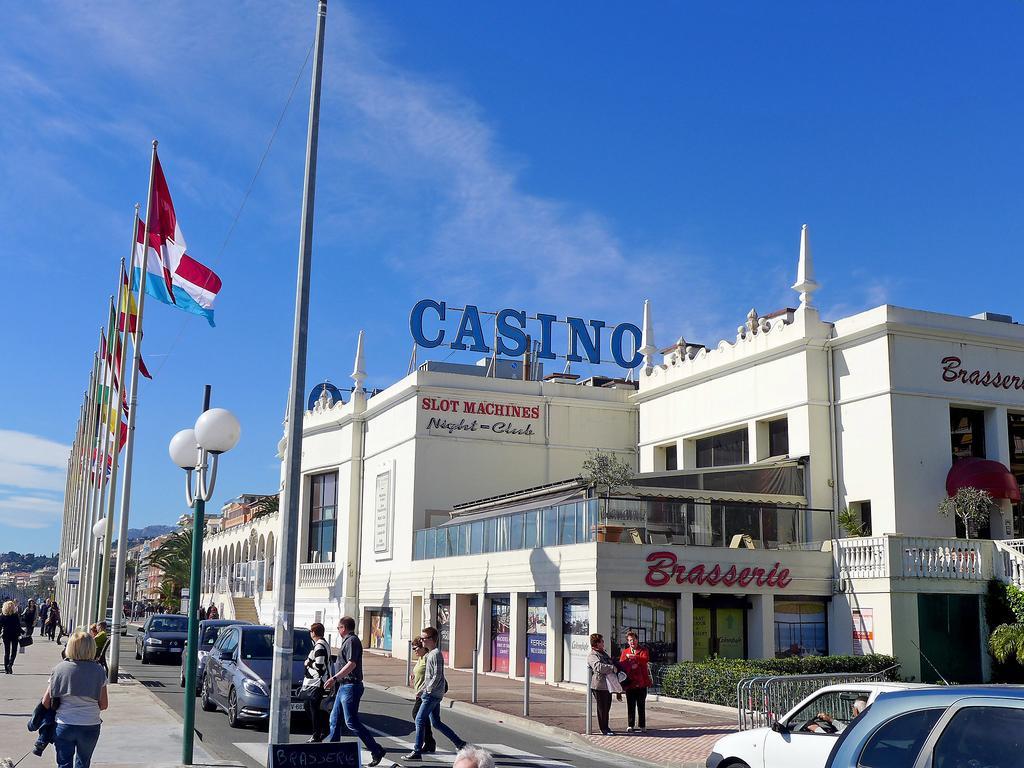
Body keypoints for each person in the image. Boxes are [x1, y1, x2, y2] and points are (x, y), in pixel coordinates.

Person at [324, 616, 387, 766]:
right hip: (343, 686)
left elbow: (352, 663)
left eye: (339, 627)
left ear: (344, 628)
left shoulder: (352, 641)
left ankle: (376, 750)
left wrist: (335, 678)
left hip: (351, 686)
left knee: (351, 722)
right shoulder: (347, 641)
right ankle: (332, 753)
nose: (338, 630)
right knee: (334, 719)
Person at [44, 631, 109, 768]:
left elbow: (46, 702)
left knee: (64, 763)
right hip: (90, 724)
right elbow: (103, 704)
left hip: (64, 724)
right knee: (83, 763)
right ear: (91, 648)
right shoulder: (98, 671)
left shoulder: (59, 669)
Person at [403, 626, 465, 762]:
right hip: (432, 693)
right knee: (436, 723)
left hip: (432, 694)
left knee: (419, 719)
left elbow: (437, 676)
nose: (422, 640)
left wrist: (426, 690)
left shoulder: (436, 654)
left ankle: (417, 751)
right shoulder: (431, 654)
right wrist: (423, 688)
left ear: (431, 639)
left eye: (424, 638)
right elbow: (430, 676)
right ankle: (460, 744)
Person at [301, 622, 331, 743]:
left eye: (311, 631)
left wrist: (308, 663)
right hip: (316, 682)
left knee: (312, 707)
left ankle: (317, 733)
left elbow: (319, 665)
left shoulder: (319, 646)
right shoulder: (321, 644)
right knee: (310, 706)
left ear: (313, 633)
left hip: (317, 682)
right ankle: (322, 730)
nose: (310, 633)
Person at [587, 633, 621, 736]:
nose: (603, 643)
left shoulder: (604, 653)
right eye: (601, 641)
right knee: (602, 708)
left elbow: (609, 662)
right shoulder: (593, 655)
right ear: (596, 643)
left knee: (607, 706)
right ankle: (604, 728)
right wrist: (611, 668)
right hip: (599, 685)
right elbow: (598, 666)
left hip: (608, 684)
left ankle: (606, 726)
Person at [619, 630, 652, 733]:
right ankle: (630, 725)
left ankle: (642, 725)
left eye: (633, 640)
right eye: (629, 640)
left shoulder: (643, 650)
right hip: (630, 683)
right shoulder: (625, 652)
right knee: (630, 705)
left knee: (641, 705)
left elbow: (645, 659)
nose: (632, 642)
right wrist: (630, 666)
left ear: (637, 640)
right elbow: (622, 665)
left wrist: (635, 657)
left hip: (641, 682)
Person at [408, 638, 435, 753]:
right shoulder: (420, 658)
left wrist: (423, 689)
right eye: (413, 648)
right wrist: (413, 675)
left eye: (416, 648)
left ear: (423, 648)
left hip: (425, 692)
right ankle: (429, 743)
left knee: (416, 714)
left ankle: (424, 744)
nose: (414, 650)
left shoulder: (428, 658)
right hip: (419, 692)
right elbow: (419, 671)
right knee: (428, 719)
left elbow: (433, 674)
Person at [2, 599, 23, 673]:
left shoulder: (2, 616)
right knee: (14, 652)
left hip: (6, 635)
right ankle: (10, 665)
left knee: (6, 652)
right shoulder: (15, 615)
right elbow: (18, 626)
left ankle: (6, 669)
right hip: (14, 635)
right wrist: (23, 632)